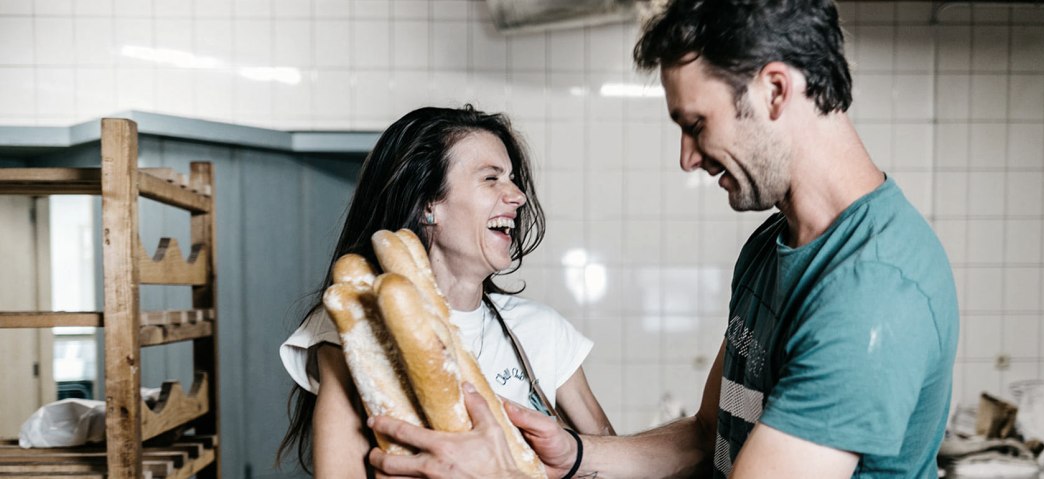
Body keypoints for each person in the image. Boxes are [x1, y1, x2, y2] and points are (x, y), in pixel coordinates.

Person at [365, 0, 960, 477]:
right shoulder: (772, 246)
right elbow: (708, 435)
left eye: (696, 126)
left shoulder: (871, 289)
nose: (687, 159)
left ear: (776, 91)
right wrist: (573, 456)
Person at [276, 106, 615, 477]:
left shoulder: (540, 330)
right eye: (491, 178)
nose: (517, 195)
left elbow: (607, 462)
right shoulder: (361, 321)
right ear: (427, 206)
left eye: (513, 179)